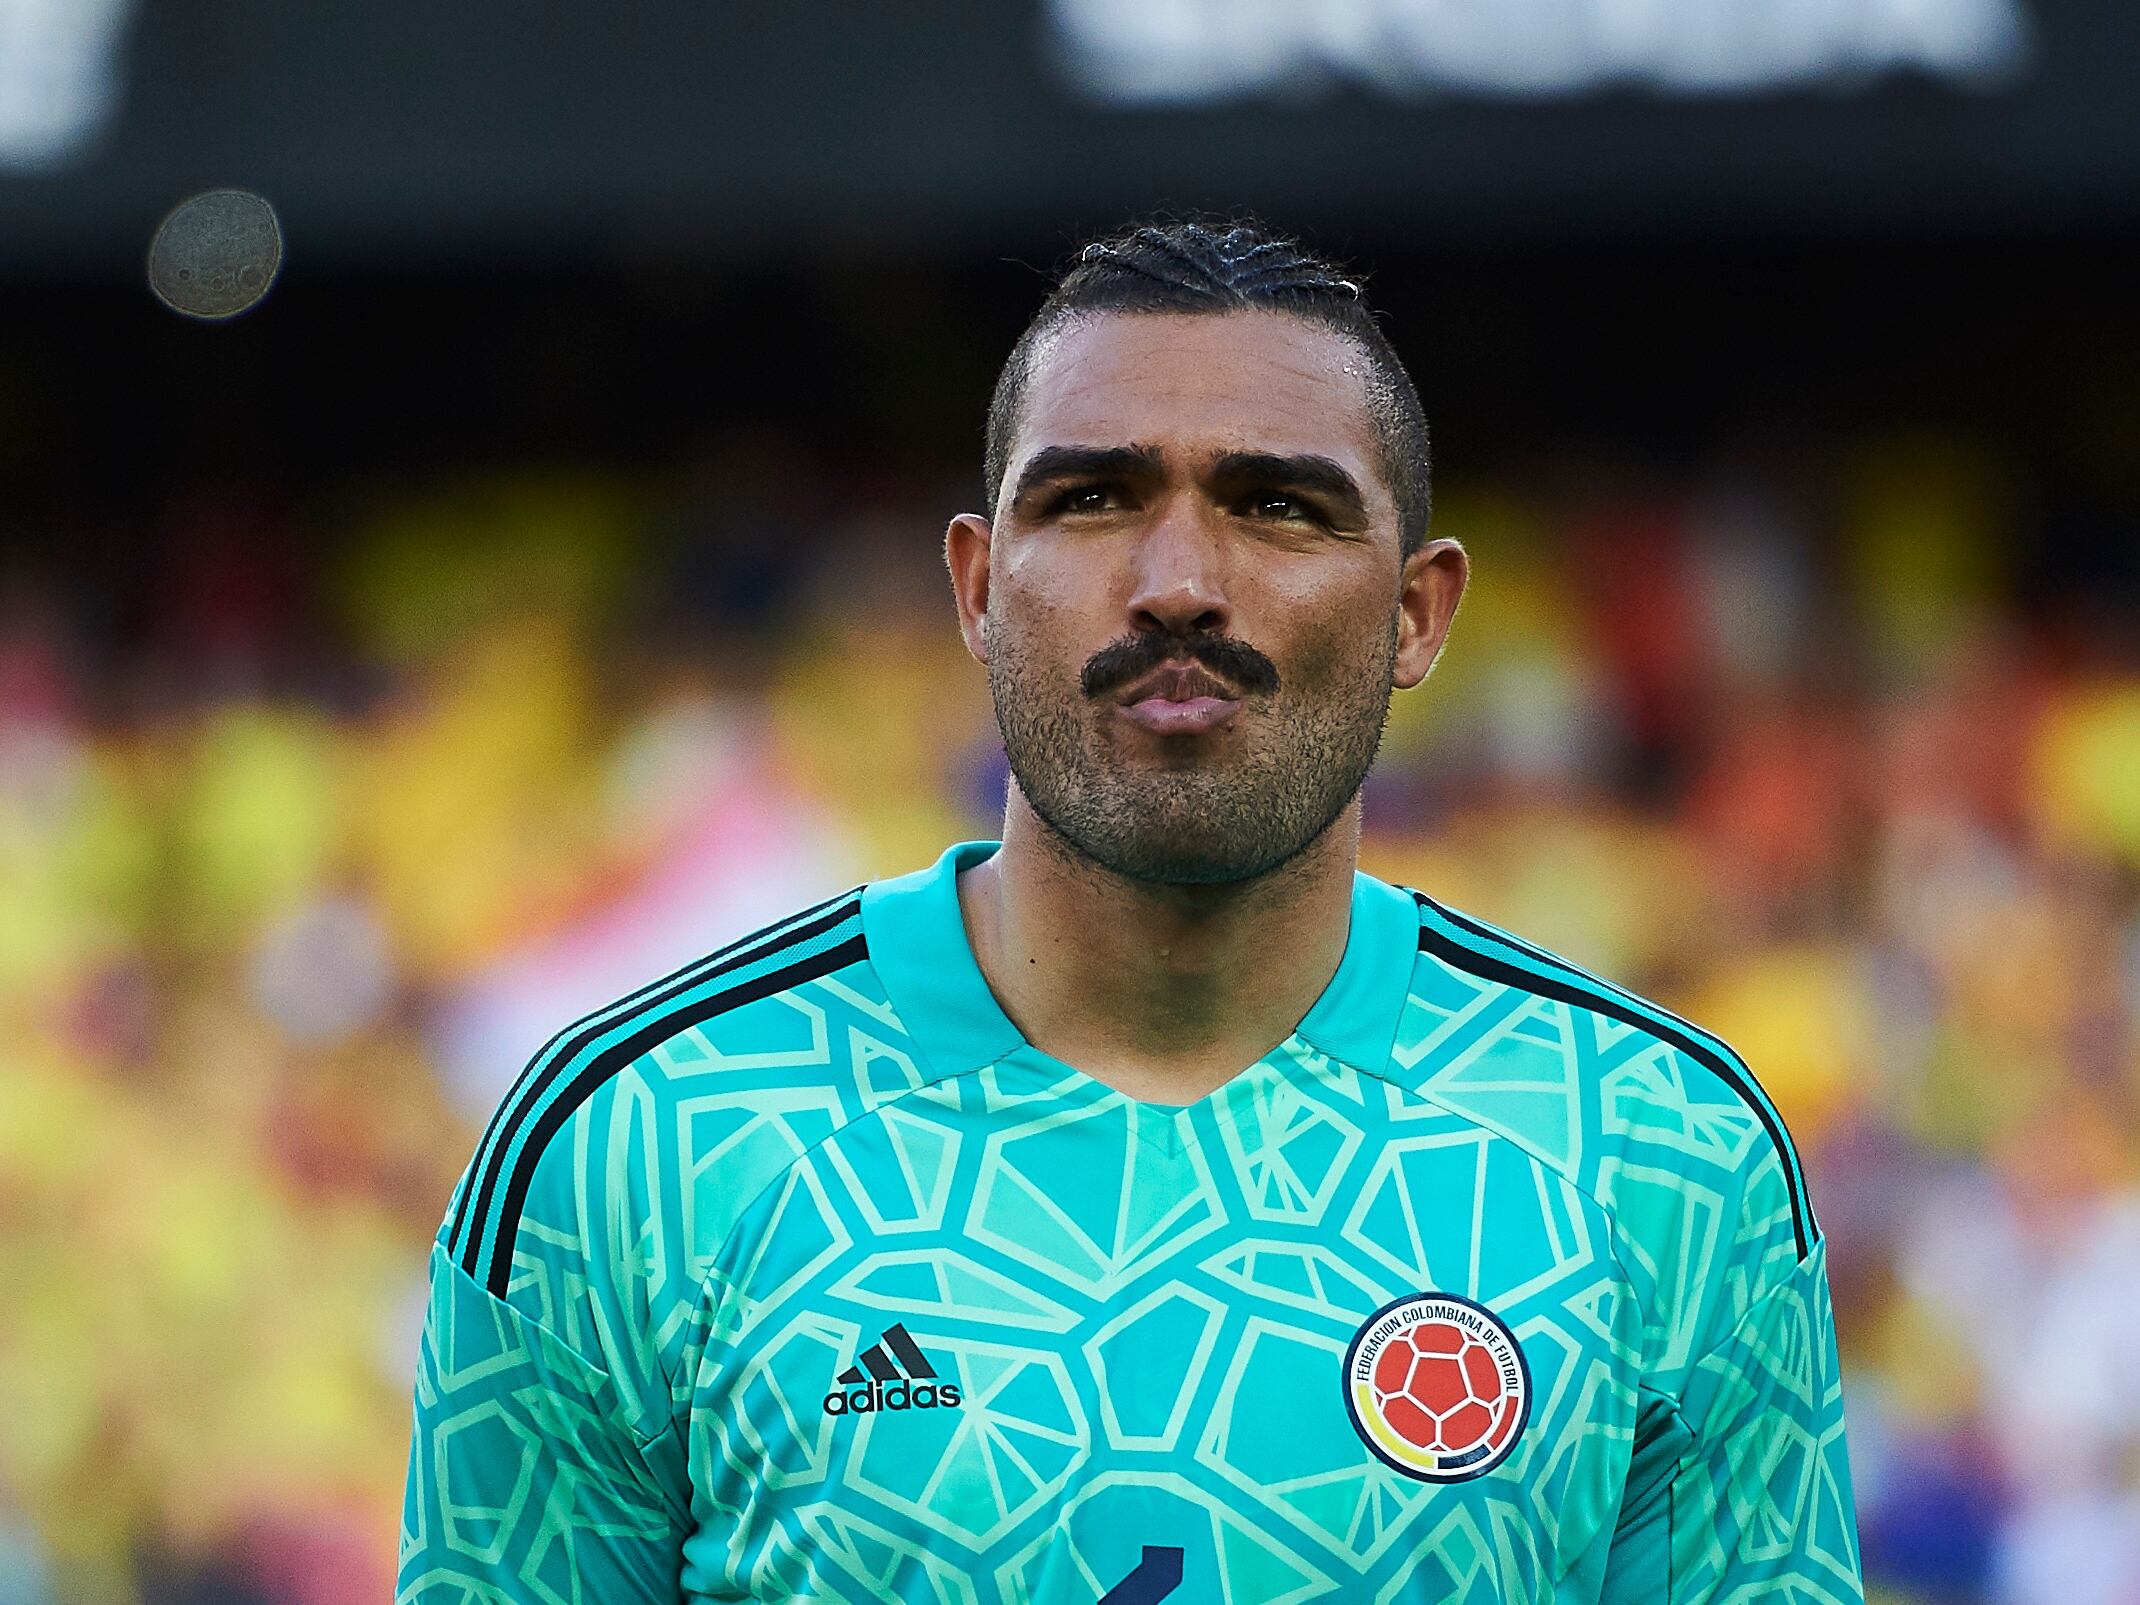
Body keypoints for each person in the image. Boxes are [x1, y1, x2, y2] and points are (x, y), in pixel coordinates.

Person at [397, 215, 1863, 1603]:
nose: (1176, 582)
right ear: (977, 588)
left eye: (1278, 506)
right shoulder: (630, 1141)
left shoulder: (1663, 1149)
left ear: (1419, 612)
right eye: (1092, 497)